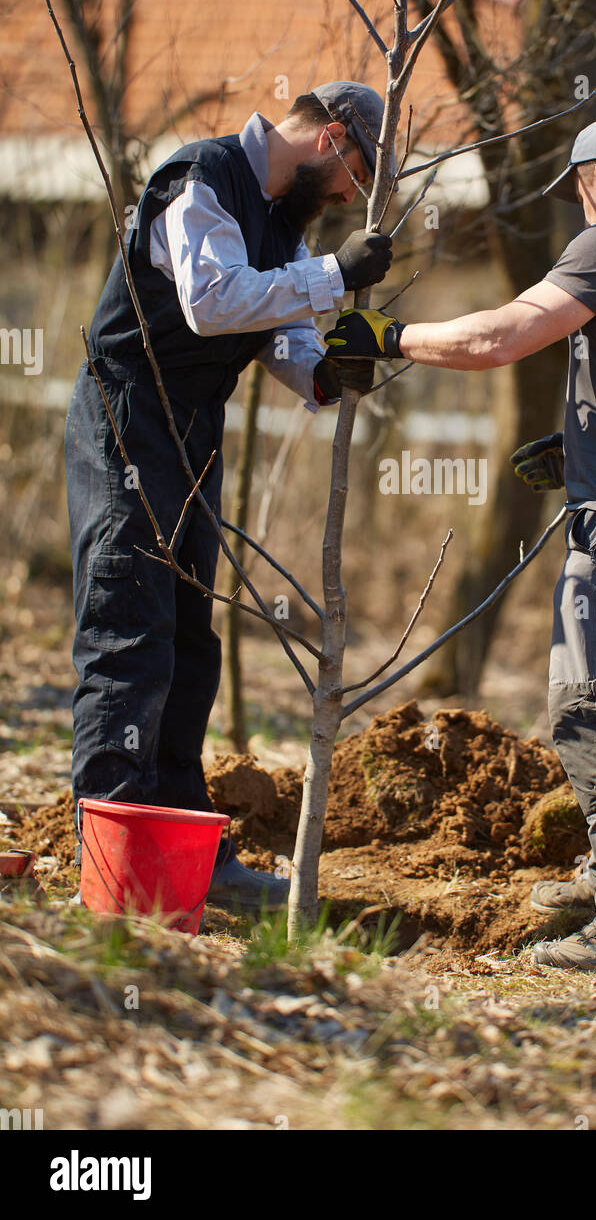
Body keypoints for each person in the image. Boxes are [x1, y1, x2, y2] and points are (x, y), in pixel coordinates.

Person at [323, 115, 596, 970]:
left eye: (579, 195)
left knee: (587, 704)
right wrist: (589, 447)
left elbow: (500, 336)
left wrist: (391, 337)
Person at [65, 82, 390, 911]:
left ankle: (183, 854)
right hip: (128, 411)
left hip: (195, 428)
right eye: (358, 171)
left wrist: (324, 373)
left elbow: (275, 332)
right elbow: (211, 304)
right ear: (332, 136)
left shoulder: (283, 224)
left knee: (186, 640)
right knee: (129, 628)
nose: (354, 193)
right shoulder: (201, 177)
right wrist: (329, 274)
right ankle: (117, 870)